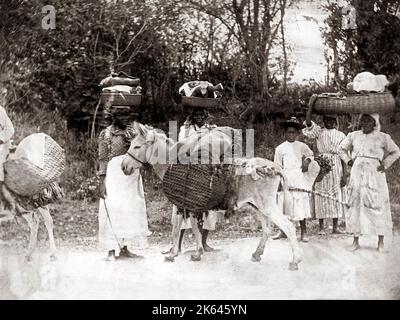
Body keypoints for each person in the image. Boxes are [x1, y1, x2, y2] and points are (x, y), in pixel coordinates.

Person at [338, 113, 400, 252]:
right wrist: (349, 161)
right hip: (357, 173)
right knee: (355, 204)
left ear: (374, 123)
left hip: (375, 173)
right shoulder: (353, 135)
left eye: (368, 121)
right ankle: (355, 241)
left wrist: (385, 164)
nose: (365, 123)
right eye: (363, 121)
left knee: (377, 205)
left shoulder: (383, 137)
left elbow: (396, 151)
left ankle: (381, 242)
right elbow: (341, 149)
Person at [163, 107, 219, 254]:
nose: (199, 117)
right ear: (192, 116)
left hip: (205, 167)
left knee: (207, 206)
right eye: (197, 114)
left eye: (202, 114)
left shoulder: (211, 129)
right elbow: (182, 145)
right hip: (187, 167)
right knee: (181, 205)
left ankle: (203, 243)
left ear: (206, 116)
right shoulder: (185, 129)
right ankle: (178, 244)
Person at [98, 105, 149, 261]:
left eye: (127, 116)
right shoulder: (106, 134)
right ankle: (111, 249)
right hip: (113, 174)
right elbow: (103, 157)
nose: (125, 119)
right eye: (121, 116)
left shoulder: (133, 133)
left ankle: (125, 247)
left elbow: (140, 150)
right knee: (113, 208)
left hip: (130, 174)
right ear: (114, 117)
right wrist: (102, 179)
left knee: (130, 209)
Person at [302, 100, 347, 235]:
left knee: (336, 193)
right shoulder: (319, 132)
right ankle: (321, 226)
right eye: (327, 119)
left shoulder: (341, 135)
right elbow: (308, 123)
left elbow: (344, 155)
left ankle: (335, 226)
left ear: (336, 121)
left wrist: (345, 173)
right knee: (321, 193)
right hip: (321, 163)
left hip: (337, 165)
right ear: (323, 120)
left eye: (332, 120)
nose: (329, 122)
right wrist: (311, 105)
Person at [273, 117, 313, 242]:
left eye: (293, 133)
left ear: (297, 134)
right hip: (286, 177)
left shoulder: (301, 146)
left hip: (298, 176)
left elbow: (311, 154)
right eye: (289, 132)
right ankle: (283, 231)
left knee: (299, 203)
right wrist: (279, 181)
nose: (291, 135)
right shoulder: (280, 148)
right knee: (285, 205)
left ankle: (303, 232)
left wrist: (307, 161)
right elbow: (277, 166)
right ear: (285, 133)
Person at [0, 103, 15, 210]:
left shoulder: (0, 110)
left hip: (1, 146)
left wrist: (0, 139)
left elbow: (10, 130)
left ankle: (5, 204)